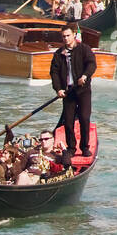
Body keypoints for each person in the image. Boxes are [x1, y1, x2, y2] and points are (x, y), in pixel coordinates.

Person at [49, 23, 95, 157]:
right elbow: (54, 73)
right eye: (63, 37)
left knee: (84, 118)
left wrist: (85, 76)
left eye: (68, 36)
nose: (66, 39)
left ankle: (85, 147)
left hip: (83, 90)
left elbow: (92, 64)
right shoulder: (59, 54)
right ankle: (71, 148)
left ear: (74, 35)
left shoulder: (84, 49)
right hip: (68, 92)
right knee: (68, 122)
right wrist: (58, 89)